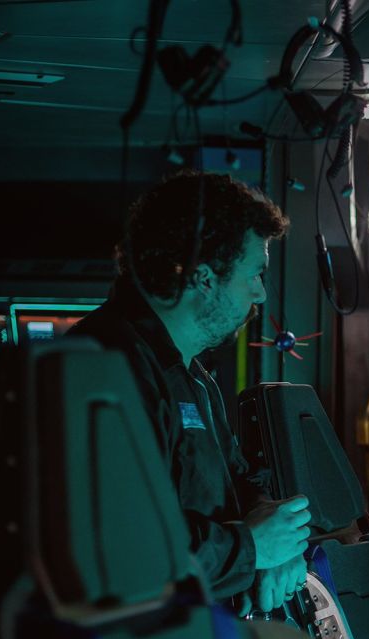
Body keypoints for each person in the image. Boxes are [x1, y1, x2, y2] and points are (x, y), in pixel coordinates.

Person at [69, 171, 310, 612]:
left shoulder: (192, 374)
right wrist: (251, 548)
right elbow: (125, 548)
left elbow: (237, 481)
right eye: (255, 274)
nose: (260, 294)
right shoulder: (107, 370)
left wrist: (277, 541)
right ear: (203, 278)